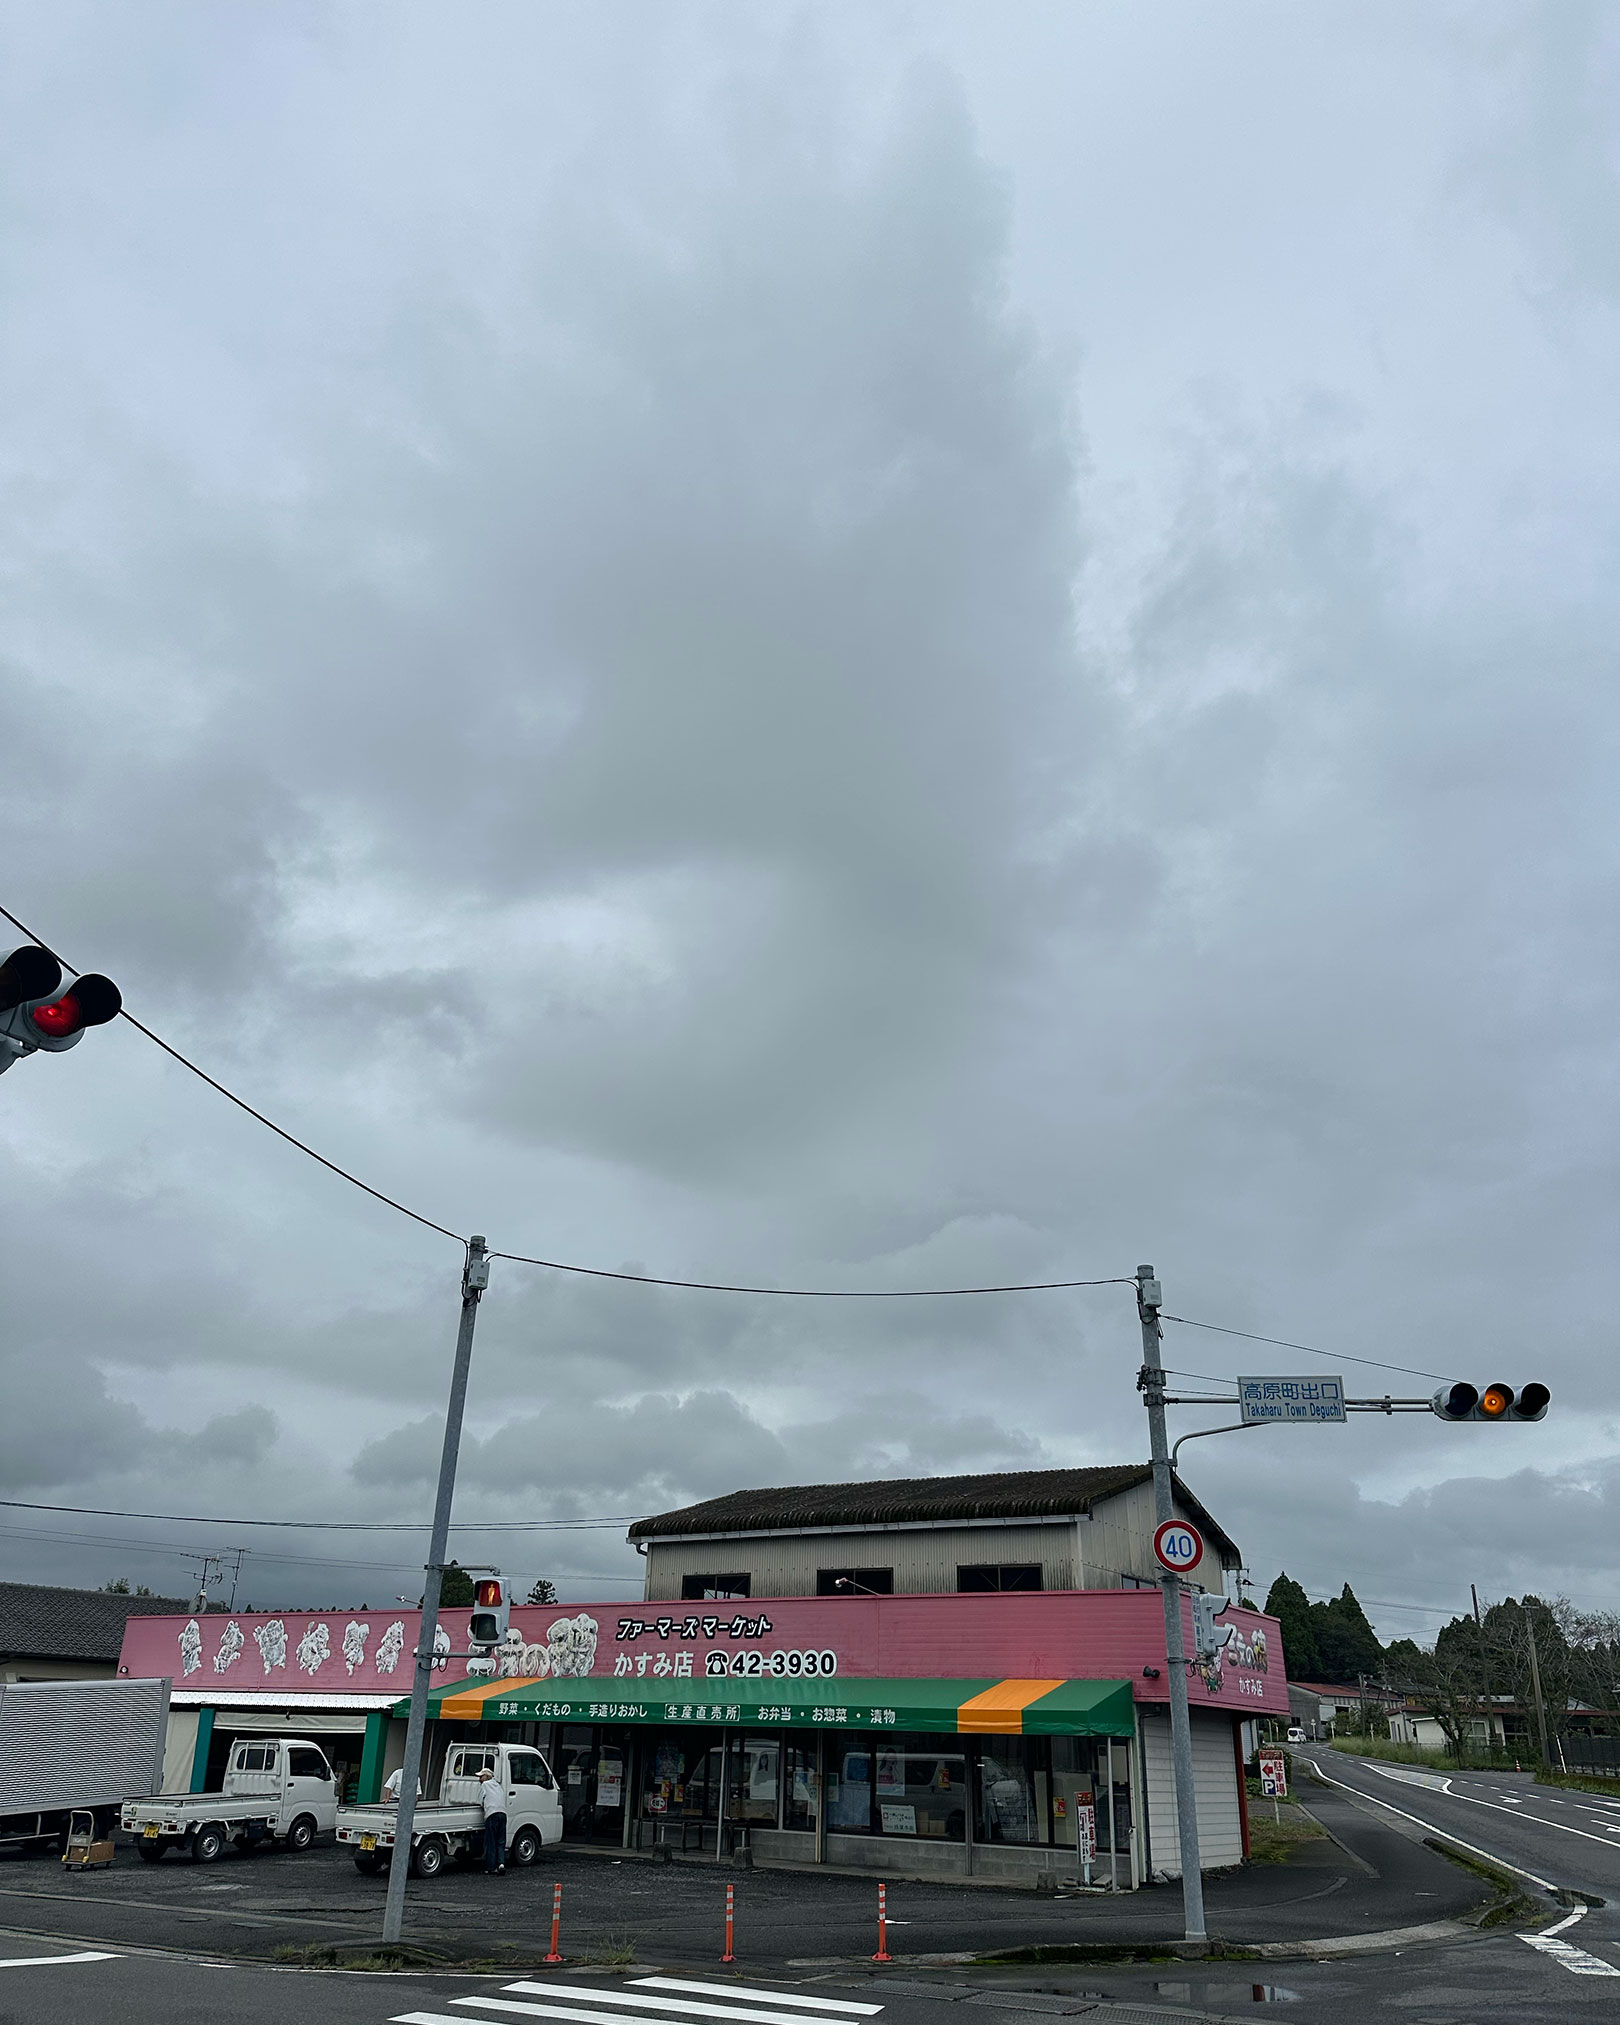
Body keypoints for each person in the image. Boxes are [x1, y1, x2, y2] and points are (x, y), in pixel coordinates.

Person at [478, 1765, 507, 1873]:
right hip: (503, 1814)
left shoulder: (485, 1785)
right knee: (501, 1841)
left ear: (486, 1776)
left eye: (481, 1777)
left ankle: (491, 1867)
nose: (479, 1779)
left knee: (491, 1842)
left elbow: (480, 1801)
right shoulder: (498, 1785)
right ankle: (501, 1864)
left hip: (492, 1815)